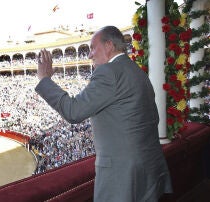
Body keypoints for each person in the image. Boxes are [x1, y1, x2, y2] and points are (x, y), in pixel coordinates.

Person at [35, 26, 173, 202]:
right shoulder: (138, 72)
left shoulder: (108, 72)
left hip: (122, 173)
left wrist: (45, 80)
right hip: (149, 165)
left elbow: (73, 111)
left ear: (109, 46)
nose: (90, 55)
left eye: (93, 48)